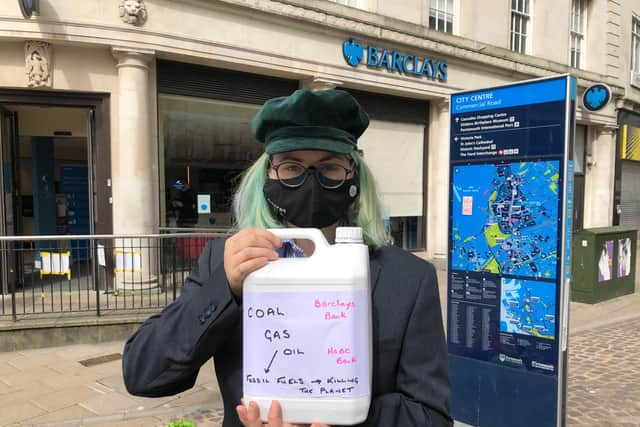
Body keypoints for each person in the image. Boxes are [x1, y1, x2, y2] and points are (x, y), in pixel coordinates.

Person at [122, 89, 452, 427]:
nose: (310, 179)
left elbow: (431, 415)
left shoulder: (408, 278)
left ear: (353, 175)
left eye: (330, 167)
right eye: (291, 166)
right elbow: (143, 374)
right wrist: (226, 288)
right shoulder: (225, 259)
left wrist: (343, 417)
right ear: (267, 176)